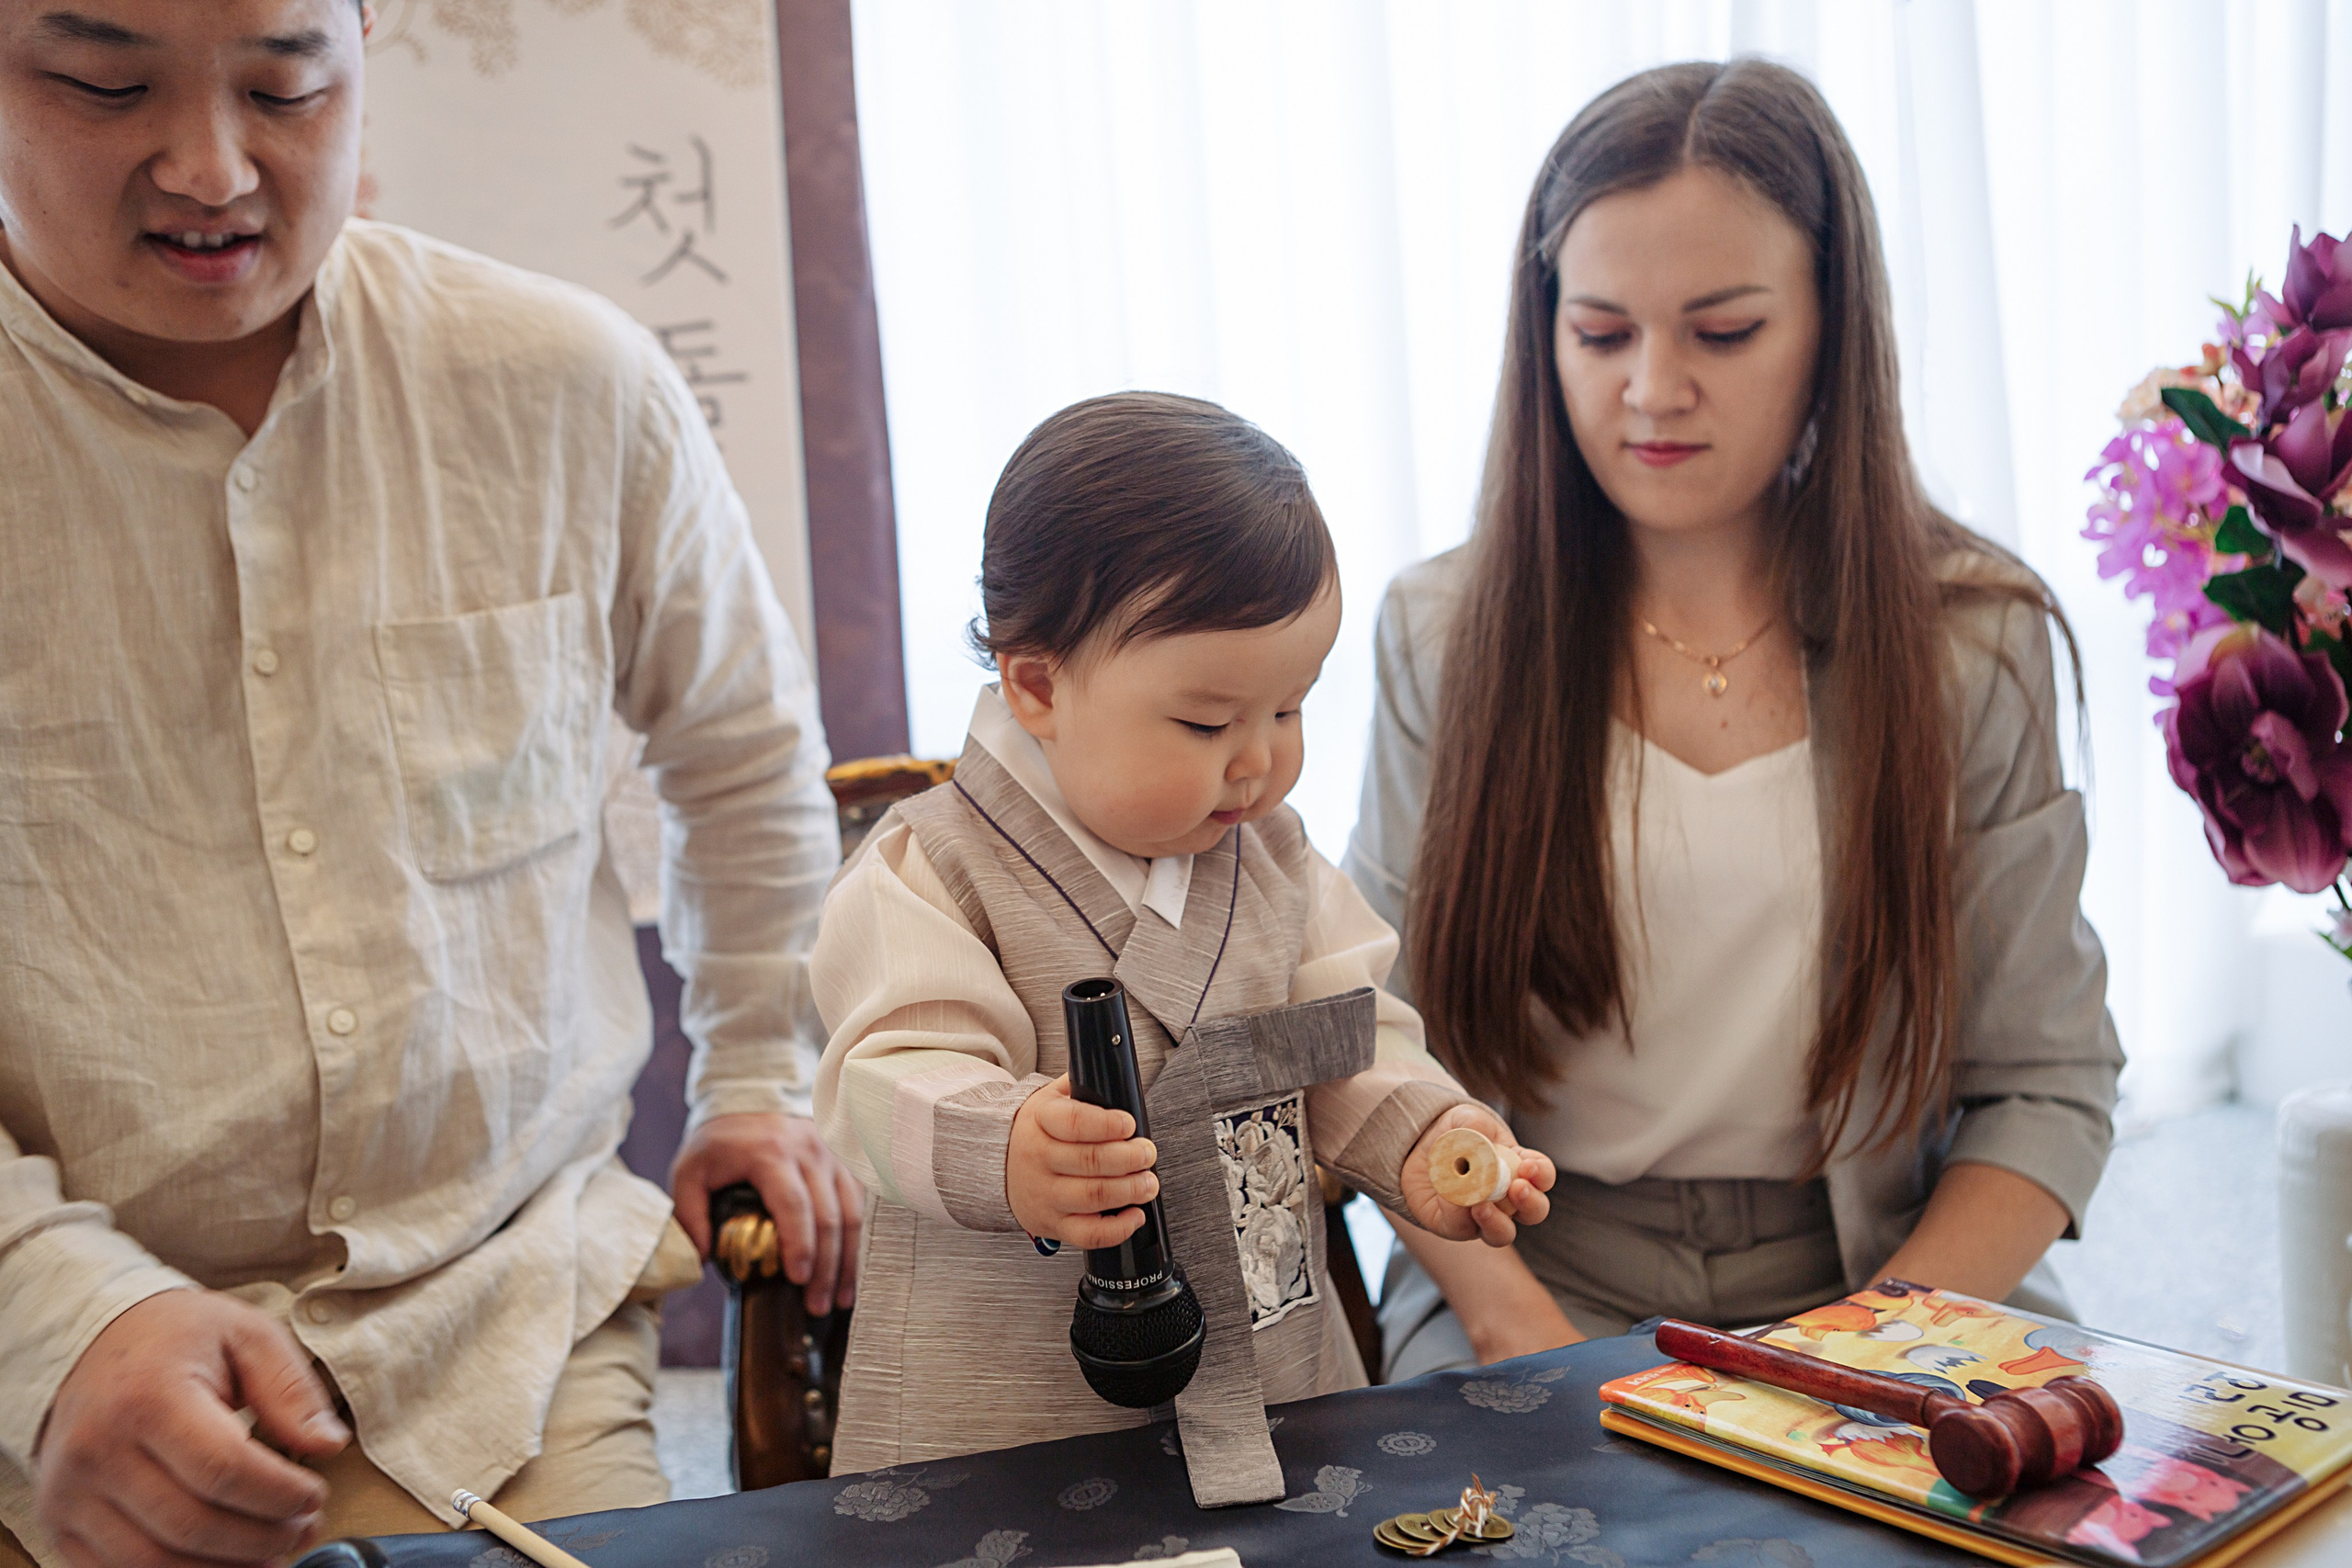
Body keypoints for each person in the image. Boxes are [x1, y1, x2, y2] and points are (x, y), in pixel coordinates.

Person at [0, 3, 860, 1563]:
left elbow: (739, 756)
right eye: (103, 81)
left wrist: (755, 1078)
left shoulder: (560, 381)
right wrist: (58, 1323)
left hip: (500, 1336)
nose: (210, 166)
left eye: (284, 85)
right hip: (55, 1383)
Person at [1343, 59, 2123, 1382]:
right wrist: (1514, 1325)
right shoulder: (1443, 631)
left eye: (1722, 331)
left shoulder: (1975, 641)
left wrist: (1873, 1350)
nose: (1652, 388)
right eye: (1600, 334)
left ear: (1832, 324)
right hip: (1542, 1257)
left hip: (1888, 1264)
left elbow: (2043, 1084)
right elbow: (1373, 1046)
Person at [809, 393, 1555, 1486]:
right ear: (1038, 683)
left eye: (1289, 709)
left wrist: (1427, 1137)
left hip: (1274, 1366)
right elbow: (881, 1081)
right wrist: (1009, 1147)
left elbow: (1342, 1049)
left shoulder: (1276, 860)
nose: (1257, 762)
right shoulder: (936, 868)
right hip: (1008, 1405)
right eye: (1207, 724)